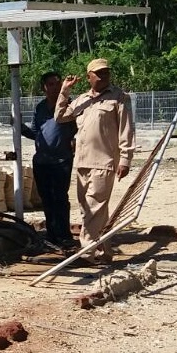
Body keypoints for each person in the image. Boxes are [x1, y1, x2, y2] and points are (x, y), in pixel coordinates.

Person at [54, 58, 135, 263]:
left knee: (94, 206)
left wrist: (125, 158)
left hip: (104, 161)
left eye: (106, 72)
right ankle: (104, 251)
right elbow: (61, 116)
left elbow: (126, 129)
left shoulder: (119, 98)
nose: (103, 76)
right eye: (98, 73)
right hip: (82, 162)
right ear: (88, 76)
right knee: (89, 210)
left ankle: (86, 252)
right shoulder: (82, 99)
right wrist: (64, 91)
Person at [21, 71, 78, 250]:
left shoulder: (70, 107)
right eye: (50, 84)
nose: (54, 88)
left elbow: (80, 130)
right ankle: (52, 235)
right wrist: (19, 127)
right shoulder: (40, 108)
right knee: (47, 199)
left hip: (61, 160)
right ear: (44, 88)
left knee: (60, 198)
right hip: (42, 161)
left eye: (57, 84)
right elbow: (36, 133)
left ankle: (64, 235)